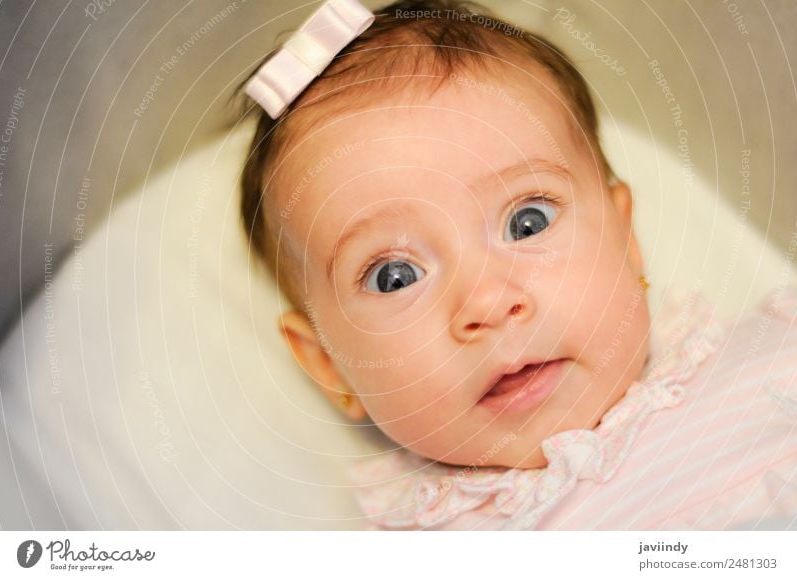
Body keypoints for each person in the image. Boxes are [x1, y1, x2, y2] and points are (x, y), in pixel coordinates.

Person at [235, 0, 797, 529]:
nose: (487, 301)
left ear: (626, 238)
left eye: (527, 223)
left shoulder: (773, 355)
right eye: (395, 277)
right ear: (328, 363)